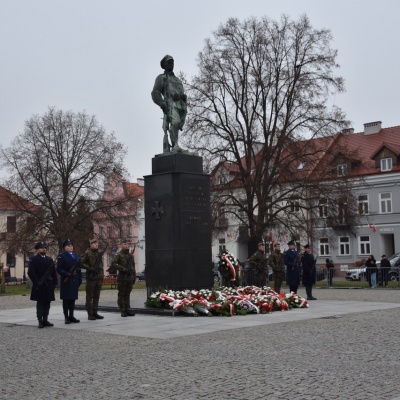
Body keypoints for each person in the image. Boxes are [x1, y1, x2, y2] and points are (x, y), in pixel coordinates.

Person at [151, 55, 187, 153]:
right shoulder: (161, 78)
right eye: (169, 62)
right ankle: (175, 145)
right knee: (174, 123)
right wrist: (162, 104)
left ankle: (176, 145)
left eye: (172, 62)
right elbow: (155, 93)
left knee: (178, 124)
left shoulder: (178, 80)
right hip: (170, 105)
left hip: (180, 106)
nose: (171, 64)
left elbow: (181, 93)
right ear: (164, 65)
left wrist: (183, 98)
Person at [27, 241, 58, 328]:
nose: (44, 249)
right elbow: (31, 272)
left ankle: (45, 319)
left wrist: (55, 283)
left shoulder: (49, 259)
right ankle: (40, 320)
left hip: (48, 285)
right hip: (39, 285)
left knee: (47, 303)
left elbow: (53, 273)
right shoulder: (34, 259)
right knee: (40, 303)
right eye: (41, 248)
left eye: (45, 247)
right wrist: (37, 282)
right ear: (37, 250)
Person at [57, 239, 82, 324]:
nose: (70, 247)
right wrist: (66, 274)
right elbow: (59, 268)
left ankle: (71, 315)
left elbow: (79, 268)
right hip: (66, 280)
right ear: (65, 247)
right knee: (66, 300)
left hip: (74, 280)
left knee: (72, 299)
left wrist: (80, 280)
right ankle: (66, 317)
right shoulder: (62, 256)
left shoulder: (76, 255)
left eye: (71, 245)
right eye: (68, 246)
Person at [79, 239, 105, 320]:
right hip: (91, 278)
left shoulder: (98, 253)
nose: (96, 244)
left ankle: (95, 312)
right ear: (90, 245)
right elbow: (81, 262)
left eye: (97, 243)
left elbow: (101, 265)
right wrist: (90, 268)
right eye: (94, 243)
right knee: (89, 297)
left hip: (98, 277)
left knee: (97, 296)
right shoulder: (87, 253)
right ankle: (90, 313)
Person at [110, 240, 136, 317]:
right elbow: (113, 263)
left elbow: (133, 267)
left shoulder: (130, 256)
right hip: (122, 278)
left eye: (127, 244)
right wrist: (123, 269)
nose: (126, 245)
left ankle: (127, 309)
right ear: (121, 245)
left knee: (127, 294)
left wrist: (133, 276)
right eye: (124, 244)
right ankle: (122, 310)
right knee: (122, 294)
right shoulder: (118, 255)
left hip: (129, 277)